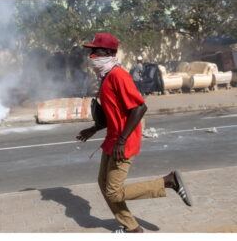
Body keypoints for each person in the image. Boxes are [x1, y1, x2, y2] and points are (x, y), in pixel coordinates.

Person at [76, 33, 192, 233]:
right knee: (103, 184)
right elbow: (113, 112)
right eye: (91, 52)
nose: (92, 55)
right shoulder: (105, 77)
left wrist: (122, 140)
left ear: (110, 53)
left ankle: (168, 181)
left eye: (97, 51)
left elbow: (139, 108)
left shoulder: (118, 75)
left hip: (123, 141)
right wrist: (94, 129)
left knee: (113, 192)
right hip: (112, 139)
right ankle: (132, 228)